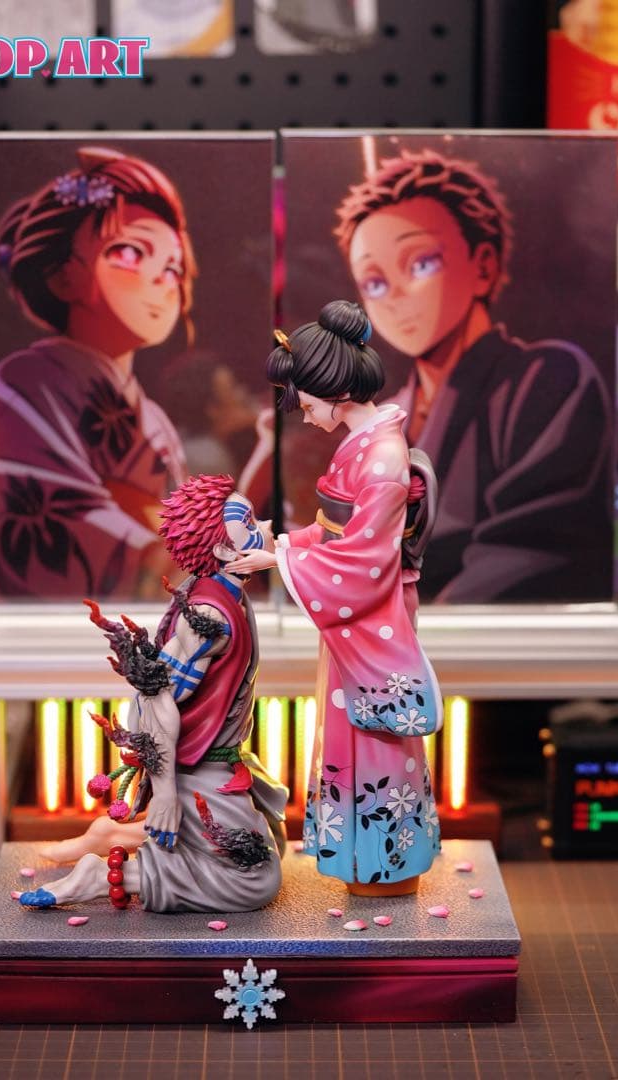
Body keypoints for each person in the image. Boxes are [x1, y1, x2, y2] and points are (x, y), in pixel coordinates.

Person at [229, 301, 442, 896]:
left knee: (374, 740)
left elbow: (366, 562)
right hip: (355, 623)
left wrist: (281, 560)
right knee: (353, 735)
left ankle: (385, 867)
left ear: (336, 391)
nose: (303, 413)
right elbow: (336, 535)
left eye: (305, 402)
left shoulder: (382, 458)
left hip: (371, 619)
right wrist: (284, 545)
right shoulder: (367, 446)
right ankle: (362, 861)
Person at [335, 148, 613, 602]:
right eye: (375, 283)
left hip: (499, 630)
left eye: (421, 263)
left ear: (482, 265)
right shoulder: (387, 415)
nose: (396, 297)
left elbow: (534, 549)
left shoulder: (548, 379)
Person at [20, 473, 288, 914]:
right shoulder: (210, 618)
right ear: (224, 552)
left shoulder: (221, 591)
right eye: (250, 521)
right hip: (198, 769)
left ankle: (115, 835)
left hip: (220, 760)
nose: (267, 524)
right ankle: (108, 876)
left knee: (271, 836)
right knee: (254, 879)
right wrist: (163, 791)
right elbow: (154, 695)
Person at [0, 146, 194, 601]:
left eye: (172, 267)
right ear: (62, 277)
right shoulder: (23, 384)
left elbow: (183, 534)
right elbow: (58, 521)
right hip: (41, 626)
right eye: (130, 252)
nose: (162, 279)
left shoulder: (155, 420)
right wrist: (156, 539)